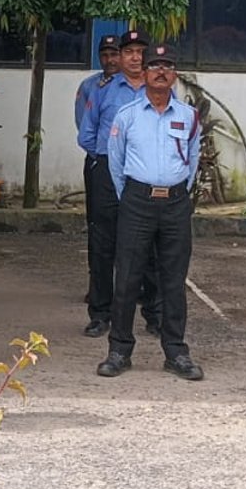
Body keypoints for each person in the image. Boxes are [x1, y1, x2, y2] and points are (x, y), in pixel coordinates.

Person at [97, 43, 204, 382]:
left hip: (174, 203)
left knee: (174, 279)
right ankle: (119, 350)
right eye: (154, 65)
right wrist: (131, 195)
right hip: (137, 201)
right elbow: (115, 162)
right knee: (127, 277)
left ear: (174, 75)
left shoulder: (188, 116)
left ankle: (175, 352)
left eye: (167, 66)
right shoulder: (127, 115)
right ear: (143, 73)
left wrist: (177, 193)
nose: (160, 71)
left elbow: (193, 159)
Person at [75, 30, 161, 338]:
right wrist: (104, 160)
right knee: (103, 245)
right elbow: (86, 134)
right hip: (107, 173)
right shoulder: (103, 90)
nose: (135, 57)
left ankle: (154, 313)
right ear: (120, 57)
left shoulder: (160, 90)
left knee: (149, 244)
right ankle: (100, 314)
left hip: (145, 177)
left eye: (141, 52)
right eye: (129, 52)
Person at [74, 35, 122, 128]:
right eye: (104, 55)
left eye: (114, 55)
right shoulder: (88, 85)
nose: (109, 60)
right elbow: (82, 122)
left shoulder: (131, 84)